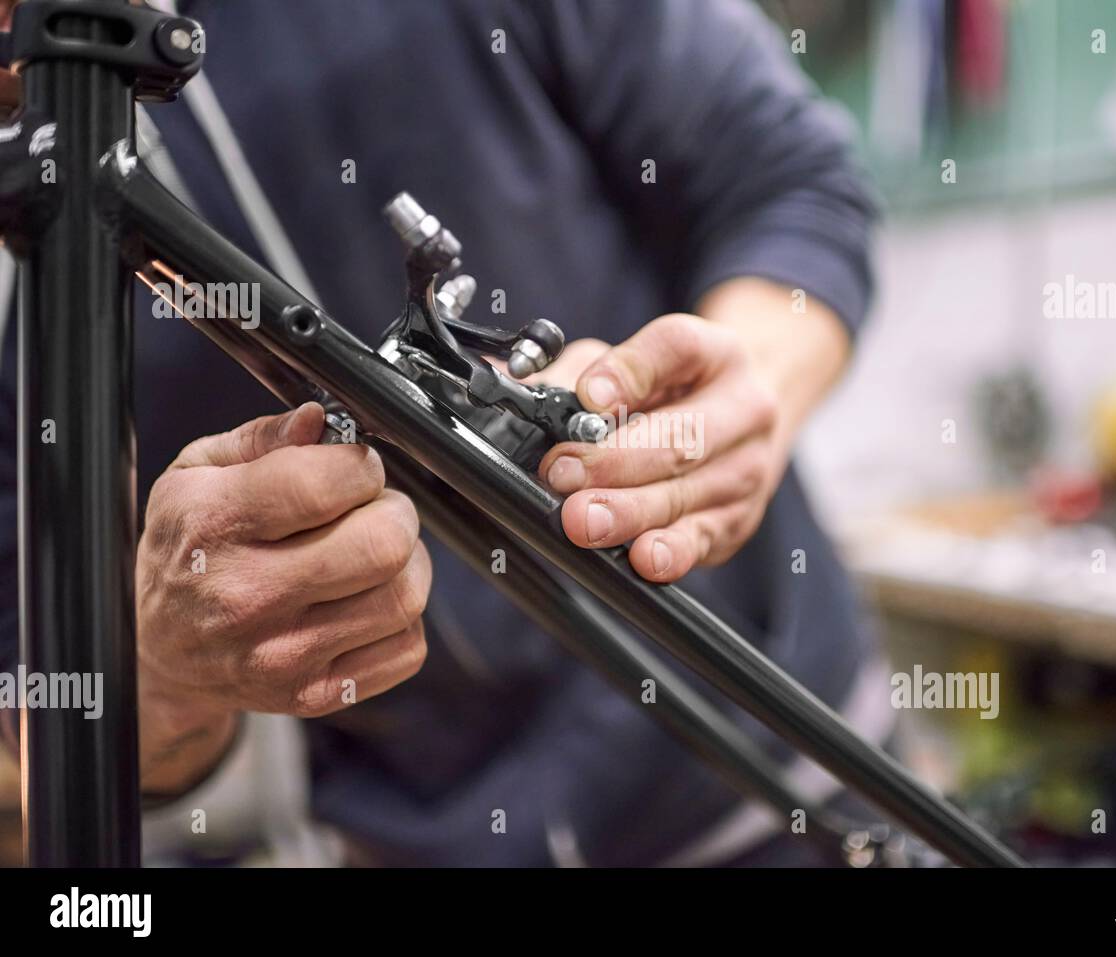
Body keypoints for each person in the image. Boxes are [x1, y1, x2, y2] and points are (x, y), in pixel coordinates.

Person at [0, 0, 879, 865]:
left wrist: (743, 392)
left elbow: (798, 179)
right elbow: (33, 698)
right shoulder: (28, 250)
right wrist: (163, 676)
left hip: (793, 783)